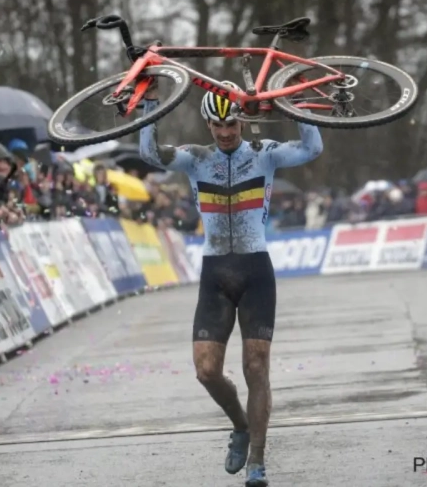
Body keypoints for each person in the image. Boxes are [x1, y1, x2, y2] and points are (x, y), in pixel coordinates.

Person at [139, 80, 324, 487]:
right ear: (208, 124)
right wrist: (149, 105)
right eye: (219, 126)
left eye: (233, 125)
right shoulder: (194, 158)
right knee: (206, 371)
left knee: (256, 368)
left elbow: (312, 149)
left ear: (242, 121)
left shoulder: (264, 153)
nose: (226, 133)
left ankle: (257, 462)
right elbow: (149, 153)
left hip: (256, 269)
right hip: (215, 273)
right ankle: (240, 426)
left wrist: (292, 104)